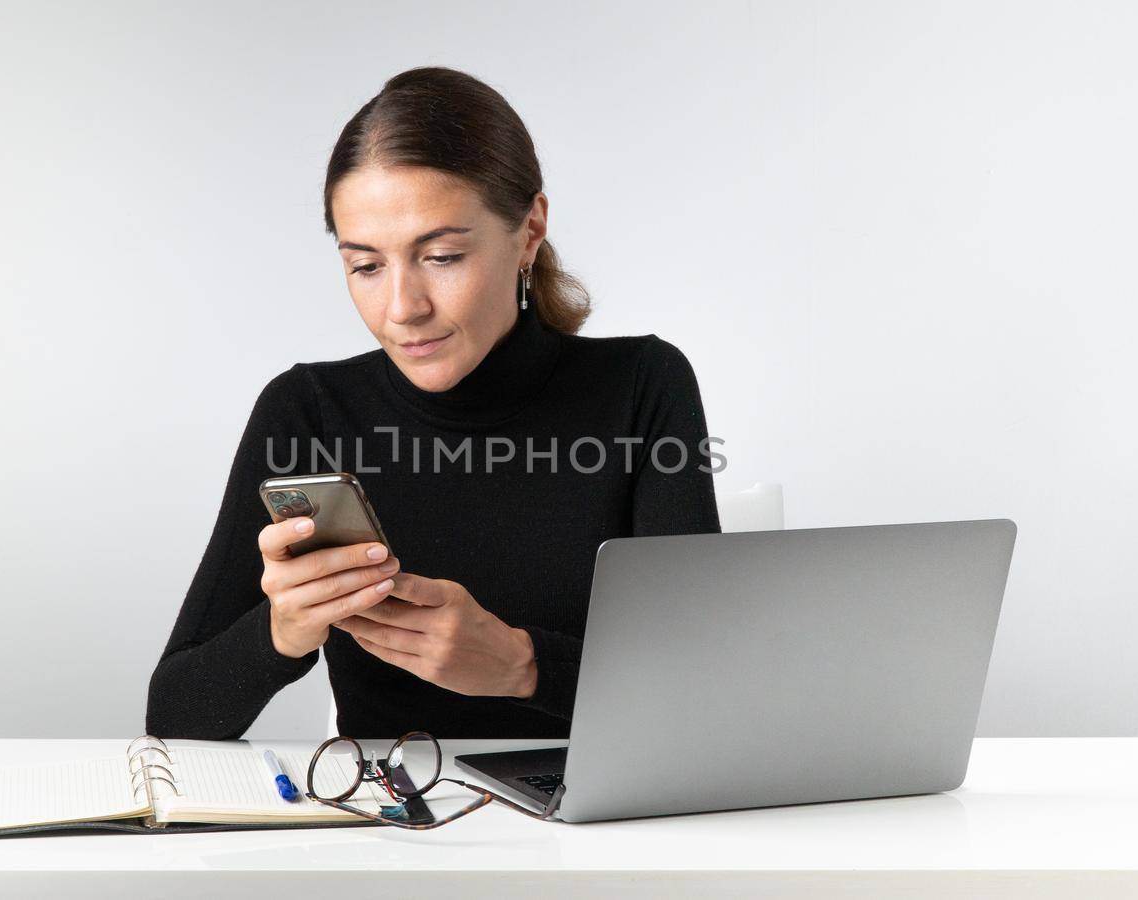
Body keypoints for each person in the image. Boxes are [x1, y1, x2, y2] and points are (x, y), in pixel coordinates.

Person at [146, 66, 721, 741]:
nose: (402, 309)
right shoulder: (307, 410)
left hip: (599, 819)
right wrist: (281, 633)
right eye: (365, 266)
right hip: (393, 829)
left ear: (529, 230)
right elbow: (174, 715)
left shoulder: (643, 385)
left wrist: (521, 666)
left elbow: (703, 694)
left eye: (442, 256)